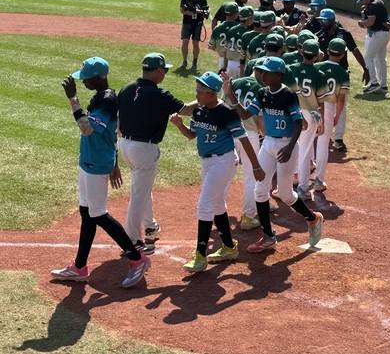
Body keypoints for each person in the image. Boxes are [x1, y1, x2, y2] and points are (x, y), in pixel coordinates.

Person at [50, 57, 150, 288]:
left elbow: (87, 128)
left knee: (98, 214)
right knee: (87, 213)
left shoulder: (107, 100)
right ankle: (80, 267)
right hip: (88, 161)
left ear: (99, 77)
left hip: (96, 163)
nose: (83, 81)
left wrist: (73, 99)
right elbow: (109, 134)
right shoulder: (99, 97)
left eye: (86, 78)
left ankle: (137, 258)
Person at [223, 57, 324, 253]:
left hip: (286, 144)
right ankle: (268, 236)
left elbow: (297, 123)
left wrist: (289, 147)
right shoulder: (262, 93)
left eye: (266, 72)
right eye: (261, 71)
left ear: (278, 75)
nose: (262, 74)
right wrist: (231, 95)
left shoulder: (288, 95)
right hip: (268, 143)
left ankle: (313, 218)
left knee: (285, 194)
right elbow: (245, 115)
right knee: (260, 190)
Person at [169, 71, 263, 273]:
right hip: (208, 163)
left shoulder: (227, 113)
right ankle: (229, 247)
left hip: (224, 162)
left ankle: (200, 255)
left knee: (204, 205)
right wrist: (179, 125)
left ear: (212, 93)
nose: (197, 95)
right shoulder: (199, 110)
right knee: (218, 204)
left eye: (200, 91)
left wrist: (256, 166)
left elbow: (244, 140)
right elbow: (192, 135)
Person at [117, 53, 196, 253]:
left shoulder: (126, 89)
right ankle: (132, 240)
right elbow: (186, 110)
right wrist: (208, 97)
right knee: (138, 194)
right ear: (159, 71)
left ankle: (150, 225)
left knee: (142, 189)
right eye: (165, 71)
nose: (165, 74)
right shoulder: (160, 95)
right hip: (144, 149)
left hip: (124, 145)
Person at [315, 9, 369, 152]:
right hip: (323, 76)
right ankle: (319, 128)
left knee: (341, 106)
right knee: (321, 104)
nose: (322, 22)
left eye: (325, 20)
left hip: (341, 76)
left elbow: (355, 50)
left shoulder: (344, 34)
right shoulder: (319, 36)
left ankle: (338, 139)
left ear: (332, 21)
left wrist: (365, 68)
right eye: (321, 20)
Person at [287, 40, 328, 201]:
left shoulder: (291, 69)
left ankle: (283, 185)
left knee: (288, 148)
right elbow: (321, 102)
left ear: (302, 52)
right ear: (317, 56)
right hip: (311, 114)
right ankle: (303, 188)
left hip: (292, 112)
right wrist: (322, 122)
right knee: (304, 152)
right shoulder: (320, 75)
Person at [226, 68, 265, 230]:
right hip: (249, 135)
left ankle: (216, 210)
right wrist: (264, 134)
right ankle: (248, 216)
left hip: (228, 132)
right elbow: (260, 120)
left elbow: (223, 106)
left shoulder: (233, 83)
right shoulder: (261, 89)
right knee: (251, 176)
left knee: (225, 173)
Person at [313, 39, 350, 192]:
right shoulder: (343, 72)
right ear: (342, 55)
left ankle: (298, 177)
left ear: (327, 51)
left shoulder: (316, 66)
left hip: (311, 105)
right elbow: (341, 99)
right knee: (322, 145)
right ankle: (318, 181)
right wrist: (336, 116)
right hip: (328, 108)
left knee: (305, 142)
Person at [357, 0, 390, 94]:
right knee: (381, 60)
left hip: (379, 34)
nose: (362, 2)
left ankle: (374, 83)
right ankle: (384, 85)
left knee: (368, 57)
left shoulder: (373, 5)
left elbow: (370, 22)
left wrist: (362, 23)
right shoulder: (379, 0)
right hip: (385, 34)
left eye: (362, 0)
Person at [179, 0, 209, 71]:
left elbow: (206, 10)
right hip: (187, 23)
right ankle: (184, 61)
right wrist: (192, 13)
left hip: (198, 24)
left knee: (195, 43)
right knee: (185, 42)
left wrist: (204, 13)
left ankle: (195, 62)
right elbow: (182, 10)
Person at [208, 2, 239, 71]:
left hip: (222, 60)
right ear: (236, 14)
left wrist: (220, 49)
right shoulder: (239, 28)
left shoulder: (218, 28)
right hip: (237, 61)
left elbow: (211, 46)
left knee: (223, 81)